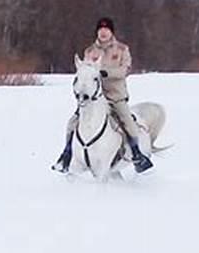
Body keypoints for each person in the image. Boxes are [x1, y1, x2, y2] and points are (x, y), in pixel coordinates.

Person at [51, 17, 154, 174]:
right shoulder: (90, 51)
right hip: (93, 98)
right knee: (72, 123)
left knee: (128, 121)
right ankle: (66, 155)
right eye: (100, 29)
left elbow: (125, 70)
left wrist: (106, 73)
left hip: (115, 96)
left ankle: (136, 154)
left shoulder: (121, 49)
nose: (103, 32)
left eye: (106, 29)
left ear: (111, 31)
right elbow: (85, 71)